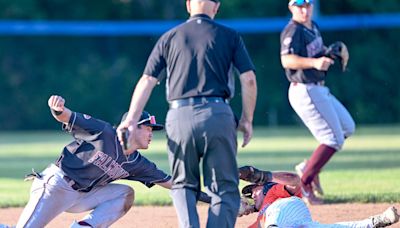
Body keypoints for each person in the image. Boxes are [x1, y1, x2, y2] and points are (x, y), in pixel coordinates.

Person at [117, 0, 257, 227]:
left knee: (183, 185)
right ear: (216, 6)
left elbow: (147, 81)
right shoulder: (230, 36)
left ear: (189, 4)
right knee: (223, 187)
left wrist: (131, 120)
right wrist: (247, 120)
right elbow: (249, 79)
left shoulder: (170, 37)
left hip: (180, 115)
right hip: (218, 113)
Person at [16, 95, 173, 228]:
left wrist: (196, 194)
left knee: (124, 193)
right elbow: (67, 116)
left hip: (83, 196)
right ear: (132, 127)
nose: (151, 134)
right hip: (57, 186)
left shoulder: (137, 162)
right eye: (148, 128)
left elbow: (170, 182)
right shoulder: (104, 132)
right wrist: (58, 109)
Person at [280, 0, 356, 204]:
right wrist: (314, 62)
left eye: (307, 5)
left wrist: (328, 52)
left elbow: (316, 50)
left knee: (347, 127)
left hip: (318, 88)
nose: (304, 10)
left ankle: (309, 168)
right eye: (299, 6)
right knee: (333, 139)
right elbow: (287, 60)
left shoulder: (312, 26)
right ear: (291, 7)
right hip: (304, 89)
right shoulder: (292, 31)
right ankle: (304, 183)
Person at [238, 166, 400, 228]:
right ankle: (376, 221)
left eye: (253, 191)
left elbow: (295, 181)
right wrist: (233, 210)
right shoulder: (258, 221)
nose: (252, 195)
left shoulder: (274, 193)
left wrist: (261, 175)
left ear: (264, 187)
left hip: (288, 209)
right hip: (295, 223)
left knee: (272, 216)